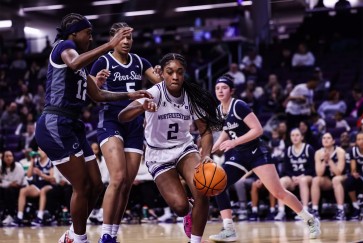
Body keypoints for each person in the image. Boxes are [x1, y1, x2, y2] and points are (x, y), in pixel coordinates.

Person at [34, 13, 152, 243]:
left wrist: (128, 94)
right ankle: (79, 239)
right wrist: (110, 44)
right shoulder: (64, 46)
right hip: (55, 123)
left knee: (97, 186)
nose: (90, 38)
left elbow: (97, 95)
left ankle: (71, 233)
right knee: (82, 185)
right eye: (87, 34)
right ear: (74, 33)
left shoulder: (80, 62)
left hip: (73, 125)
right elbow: (76, 61)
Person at [118, 53, 224, 243]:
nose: (175, 76)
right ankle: (188, 213)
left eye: (179, 72)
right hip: (158, 154)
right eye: (170, 72)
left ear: (184, 75)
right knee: (180, 207)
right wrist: (141, 107)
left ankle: (196, 241)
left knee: (203, 188)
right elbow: (123, 116)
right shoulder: (155, 92)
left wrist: (206, 155)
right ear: (162, 73)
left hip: (184, 148)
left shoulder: (192, 96)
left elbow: (205, 131)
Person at [208, 74, 321, 242]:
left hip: (257, 152)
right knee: (218, 184)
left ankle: (310, 219)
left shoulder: (239, 105)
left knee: (278, 192)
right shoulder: (219, 110)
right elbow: (227, 130)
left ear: (231, 91)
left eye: (224, 88)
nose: (220, 91)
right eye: (217, 88)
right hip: (240, 155)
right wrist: (214, 147)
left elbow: (258, 129)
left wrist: (234, 142)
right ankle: (229, 229)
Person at [89, 22, 162, 243]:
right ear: (113, 39)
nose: (127, 41)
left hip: (133, 124)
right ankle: (104, 234)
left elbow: (162, 83)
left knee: (127, 184)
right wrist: (98, 82)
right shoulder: (102, 61)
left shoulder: (140, 61)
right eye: (123, 37)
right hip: (110, 121)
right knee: (117, 177)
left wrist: (162, 73)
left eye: (130, 37)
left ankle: (112, 233)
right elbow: (92, 94)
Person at [274, 128, 315, 221]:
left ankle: (305, 211)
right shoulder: (288, 150)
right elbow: (286, 169)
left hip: (306, 176)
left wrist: (302, 176)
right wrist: (292, 177)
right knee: (281, 181)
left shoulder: (308, 148)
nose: (295, 137)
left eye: (297, 135)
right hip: (293, 177)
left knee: (303, 180)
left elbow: (313, 168)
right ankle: (281, 211)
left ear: (302, 137)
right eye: (292, 135)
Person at [11, 147, 55, 226]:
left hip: (49, 185)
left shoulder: (50, 161)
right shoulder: (36, 161)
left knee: (43, 191)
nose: (39, 152)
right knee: (23, 191)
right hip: (38, 185)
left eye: (41, 150)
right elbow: (28, 175)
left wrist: (41, 174)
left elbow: (52, 178)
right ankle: (19, 216)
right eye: (38, 150)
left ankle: (40, 217)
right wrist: (32, 160)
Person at [310, 132, 346, 220]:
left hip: (343, 178)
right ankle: (315, 210)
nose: (325, 140)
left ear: (333, 141)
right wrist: (324, 161)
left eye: (328, 138)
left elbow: (338, 172)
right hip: (328, 180)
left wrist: (329, 160)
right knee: (315, 180)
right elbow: (319, 173)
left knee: (336, 179)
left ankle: (341, 210)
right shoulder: (318, 153)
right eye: (324, 138)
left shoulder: (340, 151)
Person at [0, 150, 25, 226]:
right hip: (6, 189)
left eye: (10, 156)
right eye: (6, 156)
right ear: (3, 158)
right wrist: (9, 183)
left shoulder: (18, 166)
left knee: (9, 190)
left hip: (21, 189)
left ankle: (11, 215)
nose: (9, 158)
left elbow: (17, 183)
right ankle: (2, 213)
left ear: (13, 157)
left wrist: (5, 183)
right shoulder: (1, 168)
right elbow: (1, 183)